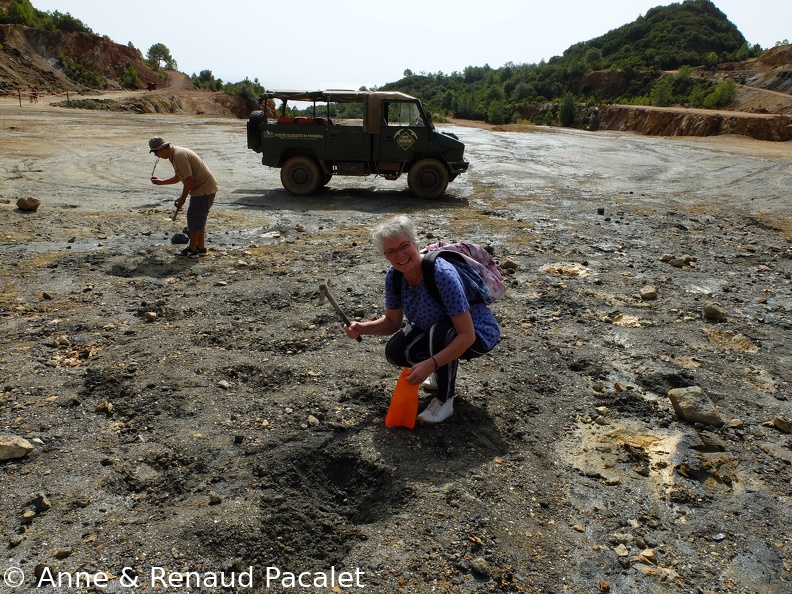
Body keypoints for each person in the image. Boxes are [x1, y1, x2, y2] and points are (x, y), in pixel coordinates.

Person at [344, 215, 500, 423]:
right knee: (396, 351)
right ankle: (441, 373)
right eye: (391, 251)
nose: (399, 255)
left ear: (416, 243)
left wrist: (430, 363)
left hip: (477, 334)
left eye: (404, 246)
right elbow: (392, 322)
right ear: (385, 255)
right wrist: (361, 328)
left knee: (441, 332)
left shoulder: (442, 274)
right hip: (435, 330)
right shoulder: (395, 276)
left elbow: (467, 335)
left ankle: (445, 400)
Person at [149, 137, 218, 257]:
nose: (157, 156)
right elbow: (179, 177)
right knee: (198, 219)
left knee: (194, 219)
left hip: (203, 189)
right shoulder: (174, 155)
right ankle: (200, 248)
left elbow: (189, 178)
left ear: (163, 148)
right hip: (203, 189)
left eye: (156, 152)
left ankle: (192, 250)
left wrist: (183, 198)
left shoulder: (179, 155)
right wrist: (161, 182)